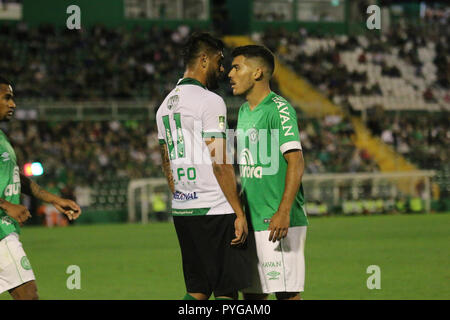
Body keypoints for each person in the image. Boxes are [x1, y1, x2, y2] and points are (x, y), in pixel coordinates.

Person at [155, 33, 251, 300]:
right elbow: (220, 162)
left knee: (197, 290)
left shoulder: (164, 106)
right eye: (220, 61)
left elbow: (166, 162)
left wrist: (181, 196)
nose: (223, 69)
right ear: (204, 59)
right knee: (227, 291)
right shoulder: (209, 101)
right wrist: (238, 212)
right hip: (215, 209)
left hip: (184, 210)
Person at [228, 45, 308, 300]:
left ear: (258, 73)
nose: (230, 74)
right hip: (251, 220)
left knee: (286, 295)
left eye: (237, 67)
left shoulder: (280, 109)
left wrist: (283, 212)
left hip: (278, 221)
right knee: (252, 296)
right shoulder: (242, 111)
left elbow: (296, 161)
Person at [0, 76, 82, 300]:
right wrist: (7, 205)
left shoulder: (2, 138)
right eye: (6, 97)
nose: (13, 104)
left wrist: (54, 199)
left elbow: (20, 179)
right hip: (1, 231)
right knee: (29, 295)